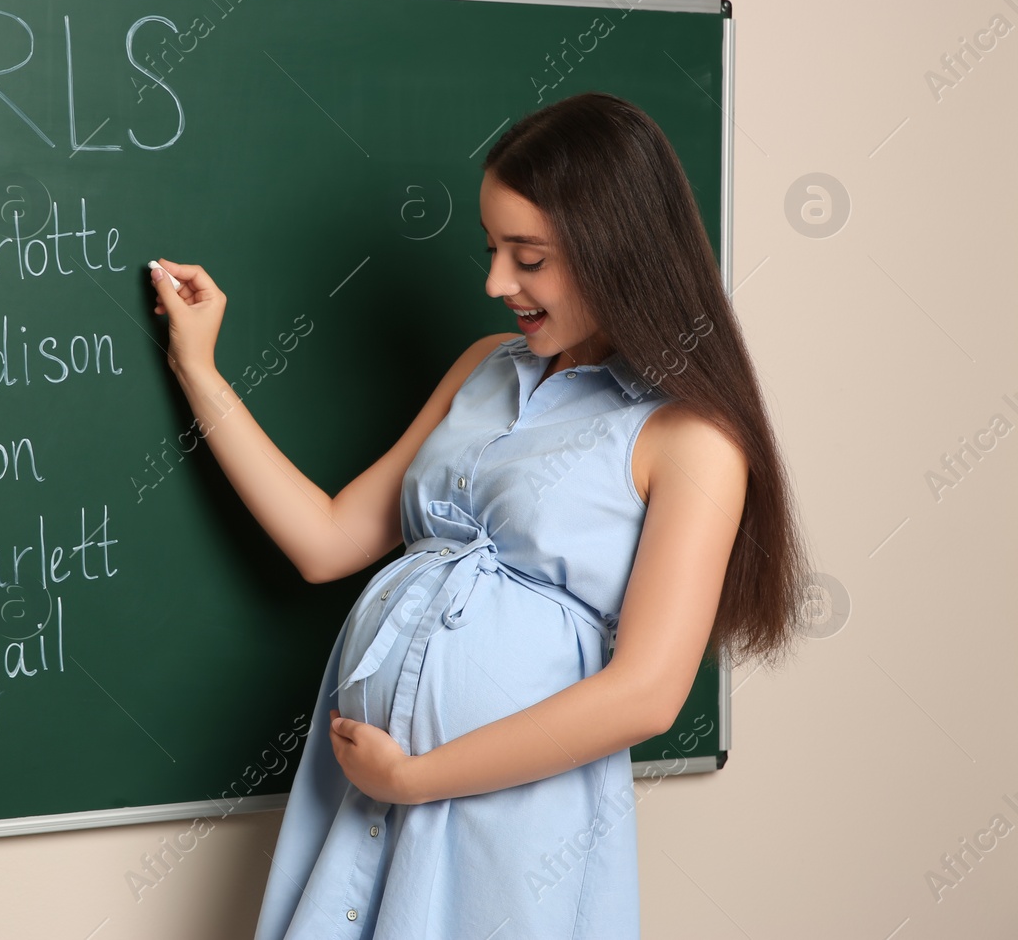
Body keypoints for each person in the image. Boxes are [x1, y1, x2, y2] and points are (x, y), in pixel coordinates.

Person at [146, 90, 811, 939]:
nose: (496, 282)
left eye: (527, 257)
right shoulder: (482, 367)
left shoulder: (693, 439)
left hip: (510, 824)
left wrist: (418, 777)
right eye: (493, 249)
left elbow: (647, 693)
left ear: (618, 253)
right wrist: (200, 371)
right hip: (366, 793)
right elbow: (325, 539)